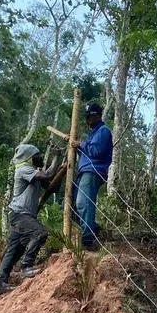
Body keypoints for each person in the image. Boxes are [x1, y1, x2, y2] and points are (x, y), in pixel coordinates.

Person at [0, 144, 60, 296]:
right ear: (30, 158)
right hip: (20, 214)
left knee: (14, 251)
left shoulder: (33, 173)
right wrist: (56, 156)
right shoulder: (24, 170)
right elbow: (48, 175)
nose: (41, 157)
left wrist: (60, 166)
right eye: (38, 155)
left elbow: (52, 186)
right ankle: (26, 266)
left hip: (20, 215)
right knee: (40, 232)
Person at [64, 102, 113, 251]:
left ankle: (88, 239)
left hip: (93, 171)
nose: (88, 120)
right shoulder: (93, 134)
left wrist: (80, 144)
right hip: (84, 171)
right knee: (71, 205)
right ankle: (94, 229)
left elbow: (96, 151)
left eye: (90, 117)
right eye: (87, 117)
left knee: (83, 203)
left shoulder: (103, 131)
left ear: (97, 116)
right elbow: (87, 152)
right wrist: (75, 145)